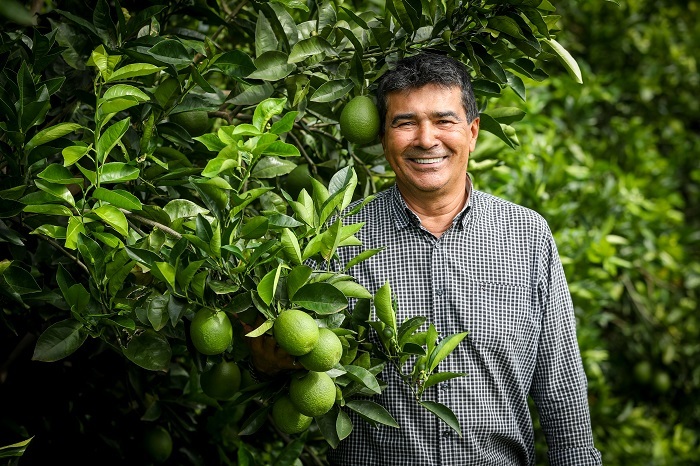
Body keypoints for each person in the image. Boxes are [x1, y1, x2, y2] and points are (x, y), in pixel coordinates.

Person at [253, 52, 603, 465]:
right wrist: (266, 358)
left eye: (444, 121)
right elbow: (280, 356)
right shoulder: (336, 239)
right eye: (405, 123)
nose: (425, 139)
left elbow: (562, 393)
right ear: (383, 138)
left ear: (472, 132)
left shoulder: (526, 236)